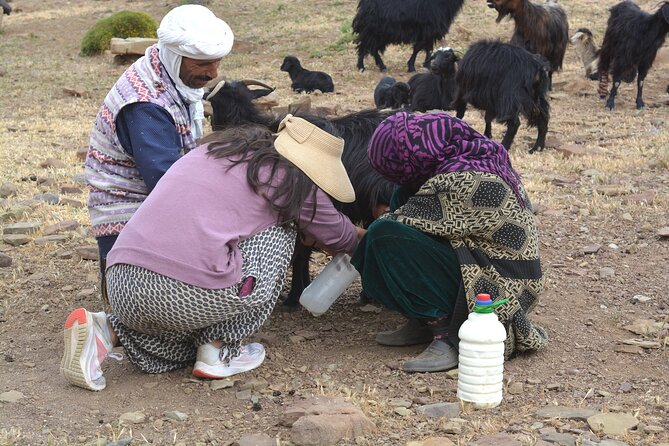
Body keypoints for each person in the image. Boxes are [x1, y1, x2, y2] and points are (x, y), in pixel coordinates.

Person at [62, 115, 365, 391]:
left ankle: (107, 330)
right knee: (281, 230)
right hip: (179, 293)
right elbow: (341, 237)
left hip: (120, 283)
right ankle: (220, 348)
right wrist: (374, 233)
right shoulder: (289, 177)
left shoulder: (210, 152)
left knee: (180, 346)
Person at [350, 111, 548, 373]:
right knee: (402, 196)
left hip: (502, 287)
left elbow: (392, 229)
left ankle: (447, 333)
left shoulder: (465, 179)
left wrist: (338, 231)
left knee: (385, 237)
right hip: (484, 260)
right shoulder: (469, 156)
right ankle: (421, 319)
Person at [85, 4, 234, 300]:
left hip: (153, 196)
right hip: (128, 213)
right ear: (175, 55)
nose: (213, 72)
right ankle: (127, 297)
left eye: (217, 62)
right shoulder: (145, 106)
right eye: (202, 64)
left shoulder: (164, 71)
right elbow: (167, 184)